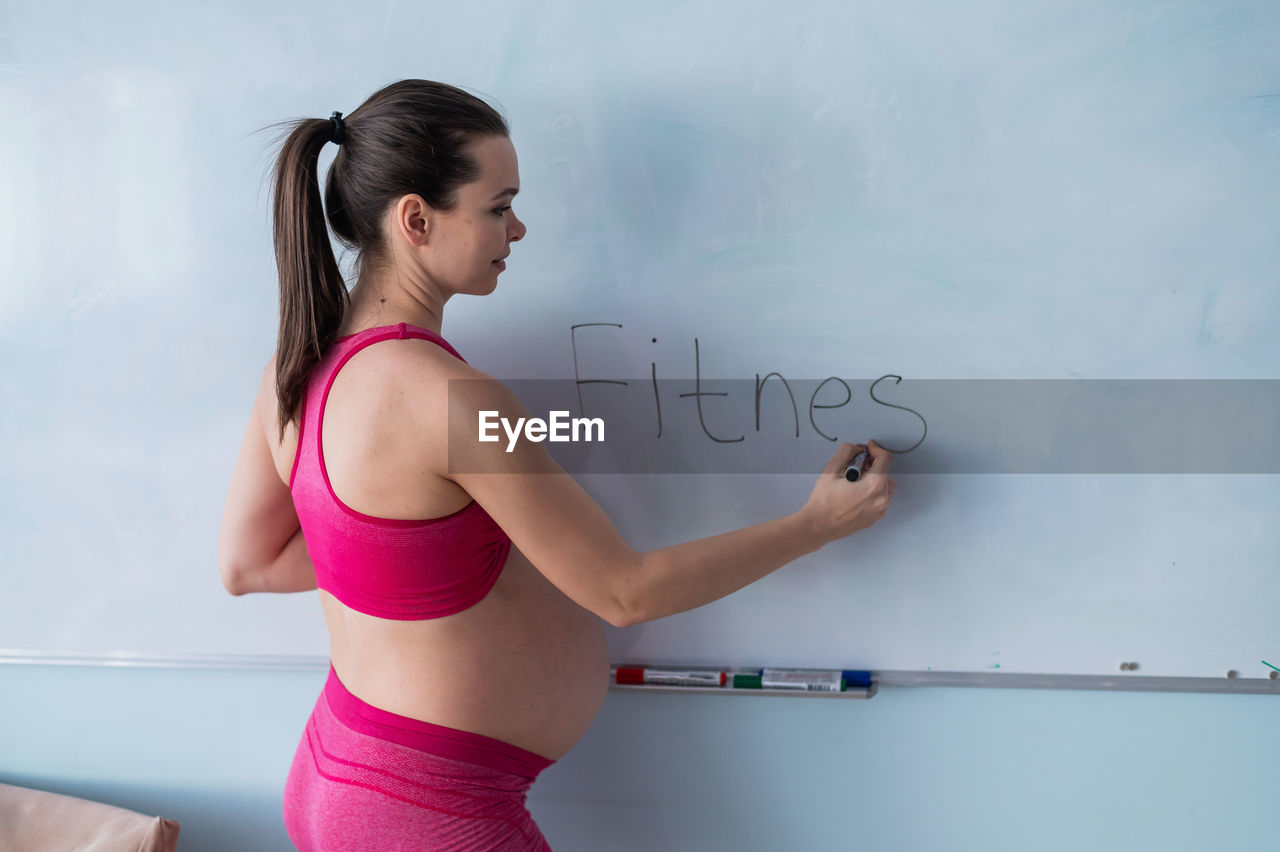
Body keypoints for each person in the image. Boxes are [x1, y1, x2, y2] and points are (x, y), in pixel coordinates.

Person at [218, 79, 895, 851]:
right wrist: (816, 524)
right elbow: (622, 590)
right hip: (428, 812)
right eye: (498, 207)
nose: (519, 227)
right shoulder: (453, 401)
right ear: (416, 219)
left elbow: (251, 562)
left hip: (338, 775)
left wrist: (424, 554)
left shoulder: (296, 364)